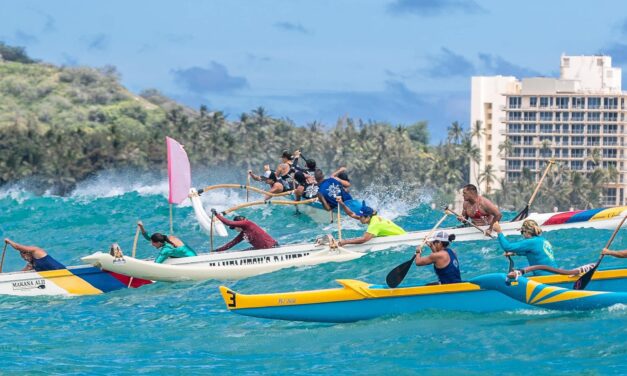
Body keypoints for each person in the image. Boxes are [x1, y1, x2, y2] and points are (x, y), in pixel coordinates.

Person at [492, 220, 557, 276]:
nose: (522, 234)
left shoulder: (531, 242)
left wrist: (499, 231)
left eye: (522, 232)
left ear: (528, 232)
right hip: (555, 274)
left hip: (545, 277)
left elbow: (507, 247)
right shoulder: (543, 240)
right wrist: (514, 253)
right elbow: (534, 253)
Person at [337, 199, 406, 247]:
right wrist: (342, 203)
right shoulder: (372, 217)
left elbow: (364, 239)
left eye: (361, 217)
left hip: (402, 239)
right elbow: (352, 214)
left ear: (368, 217)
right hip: (401, 234)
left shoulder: (374, 224)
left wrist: (345, 242)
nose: (359, 218)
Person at [212, 210, 278, 251]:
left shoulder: (247, 223)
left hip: (272, 248)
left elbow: (228, 223)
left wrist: (216, 214)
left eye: (234, 227)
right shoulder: (244, 233)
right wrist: (216, 251)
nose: (235, 229)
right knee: (240, 253)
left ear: (238, 224)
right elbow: (231, 244)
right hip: (262, 249)